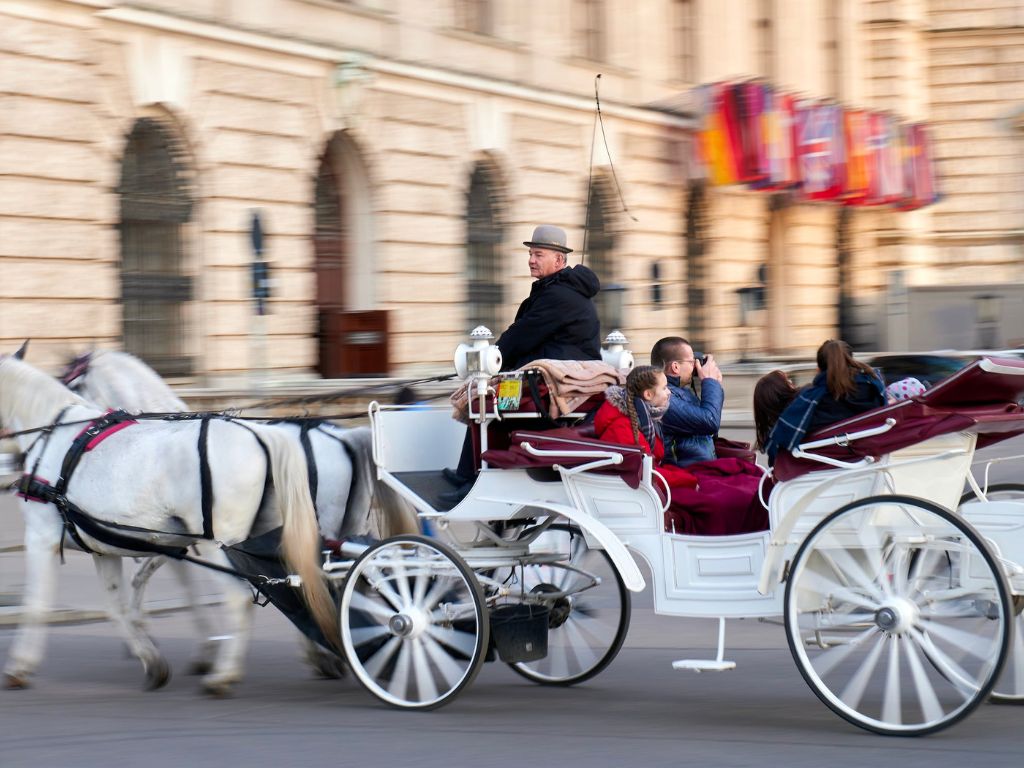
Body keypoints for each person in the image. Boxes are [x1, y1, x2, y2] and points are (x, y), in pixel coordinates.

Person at [441, 225, 603, 503]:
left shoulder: (558, 295)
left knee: (486, 402)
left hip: (550, 385)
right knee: (489, 398)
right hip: (551, 379)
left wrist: (494, 360)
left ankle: (473, 479)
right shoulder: (557, 290)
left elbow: (521, 335)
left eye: (538, 254)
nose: (531, 260)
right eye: (530, 253)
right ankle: (468, 473)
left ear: (559, 260)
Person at [765, 339, 885, 463]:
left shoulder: (811, 399)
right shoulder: (874, 388)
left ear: (819, 367)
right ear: (850, 360)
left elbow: (779, 442)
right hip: (868, 461)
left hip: (825, 466)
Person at [592, 366, 698, 490]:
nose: (669, 392)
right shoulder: (622, 429)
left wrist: (687, 477)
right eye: (664, 388)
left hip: (651, 483)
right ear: (648, 394)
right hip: (637, 490)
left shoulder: (645, 418)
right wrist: (688, 480)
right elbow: (645, 473)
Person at [650, 336, 724, 467]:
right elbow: (710, 420)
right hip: (687, 473)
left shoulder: (682, 391)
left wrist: (714, 384)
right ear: (675, 367)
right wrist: (710, 382)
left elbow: (710, 418)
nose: (695, 365)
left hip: (702, 468)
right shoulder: (663, 398)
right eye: (691, 362)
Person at [753, 370, 799, 465]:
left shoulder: (774, 436)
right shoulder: (802, 416)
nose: (791, 382)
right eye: (787, 381)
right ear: (781, 390)